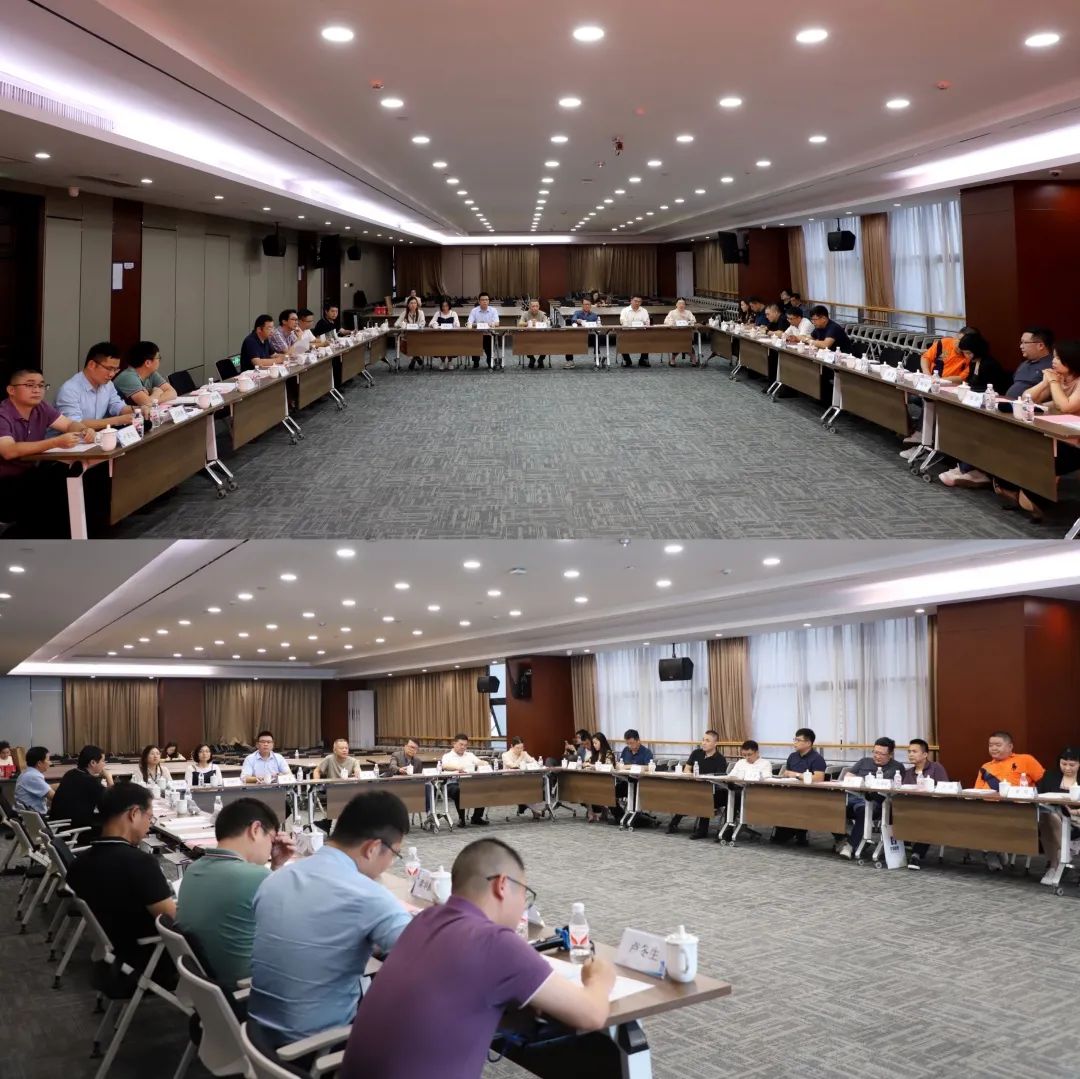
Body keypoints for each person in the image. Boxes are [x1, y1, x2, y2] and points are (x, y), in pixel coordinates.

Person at [339, 837, 615, 1079]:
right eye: (525, 895)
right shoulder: (496, 942)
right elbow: (591, 1015)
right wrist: (600, 979)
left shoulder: (425, 920)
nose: (523, 906)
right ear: (503, 885)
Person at [247, 790, 413, 1048]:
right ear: (373, 848)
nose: (391, 863)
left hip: (257, 1035)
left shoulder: (274, 879)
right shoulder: (371, 897)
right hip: (314, 1049)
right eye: (395, 854)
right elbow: (429, 964)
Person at [175, 797, 294, 988]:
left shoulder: (194, 869)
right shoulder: (256, 877)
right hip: (251, 989)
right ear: (256, 829)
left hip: (209, 989)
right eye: (271, 840)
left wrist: (275, 866)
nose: (271, 850)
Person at [65, 783, 175, 975]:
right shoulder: (141, 864)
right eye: (149, 817)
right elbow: (172, 920)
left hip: (117, 955)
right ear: (134, 813)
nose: (149, 825)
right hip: (150, 959)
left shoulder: (79, 863)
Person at [0, 365, 96, 536]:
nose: (37, 390)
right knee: (52, 491)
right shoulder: (3, 414)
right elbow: (9, 451)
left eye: (41, 385)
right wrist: (55, 442)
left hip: (28, 472)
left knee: (67, 478)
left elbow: (68, 424)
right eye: (30, 385)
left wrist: (83, 430)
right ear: (11, 390)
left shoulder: (41, 408)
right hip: (5, 481)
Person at [993, 340, 1080, 520]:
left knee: (1037, 455)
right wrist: (1045, 382)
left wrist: (1053, 382)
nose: (1053, 361)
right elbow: (1027, 398)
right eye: (1054, 357)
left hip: (1073, 443)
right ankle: (1017, 491)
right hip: (1053, 434)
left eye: (1058, 358)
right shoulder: (1058, 378)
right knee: (1014, 446)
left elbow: (1066, 407)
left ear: (1072, 360)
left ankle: (1037, 500)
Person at [937, 333, 1012, 489]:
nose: (967, 356)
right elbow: (971, 382)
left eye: (969, 352)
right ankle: (963, 465)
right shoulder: (973, 363)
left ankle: (968, 468)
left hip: (991, 404)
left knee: (972, 430)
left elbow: (992, 388)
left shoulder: (990, 364)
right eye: (965, 353)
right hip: (975, 401)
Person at [974, 731, 1045, 871]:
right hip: (989, 808)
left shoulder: (1025, 760)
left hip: (1018, 809)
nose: (993, 748)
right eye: (990, 745)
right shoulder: (986, 767)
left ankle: (994, 851)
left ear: (1010, 746)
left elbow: (1044, 782)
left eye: (998, 745)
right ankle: (993, 851)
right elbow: (977, 791)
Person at [833, 737, 904, 860]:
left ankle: (850, 846)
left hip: (877, 802)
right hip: (853, 796)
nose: (877, 756)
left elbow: (889, 789)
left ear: (890, 754)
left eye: (881, 754)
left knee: (863, 809)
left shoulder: (897, 767)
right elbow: (848, 777)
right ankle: (842, 838)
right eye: (875, 752)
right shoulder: (864, 761)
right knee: (830, 806)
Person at [54, 342, 135, 430]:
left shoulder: (108, 384)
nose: (112, 374)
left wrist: (139, 409)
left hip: (96, 436)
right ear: (91, 365)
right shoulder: (69, 390)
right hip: (69, 438)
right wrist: (118, 420)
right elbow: (74, 424)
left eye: (115, 370)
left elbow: (116, 405)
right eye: (109, 368)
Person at [667, 730, 728, 839]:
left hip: (713, 791)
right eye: (703, 740)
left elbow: (718, 779)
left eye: (707, 741)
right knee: (684, 794)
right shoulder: (696, 753)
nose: (703, 743)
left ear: (715, 743)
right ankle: (673, 824)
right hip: (695, 787)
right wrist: (692, 776)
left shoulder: (720, 759)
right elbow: (687, 769)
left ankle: (702, 831)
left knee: (703, 796)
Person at [772, 728, 827, 845]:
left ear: (808, 743)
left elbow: (819, 778)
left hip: (809, 794)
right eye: (794, 740)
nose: (795, 743)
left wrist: (796, 775)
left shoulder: (817, 758)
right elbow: (787, 774)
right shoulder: (792, 756)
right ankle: (791, 830)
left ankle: (799, 831)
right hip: (790, 791)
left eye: (798, 740)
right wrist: (786, 775)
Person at [901, 739, 949, 869]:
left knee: (927, 819)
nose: (911, 754)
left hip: (933, 808)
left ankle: (916, 854)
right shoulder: (908, 772)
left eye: (914, 751)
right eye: (909, 752)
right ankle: (903, 846)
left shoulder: (936, 768)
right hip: (911, 808)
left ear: (925, 754)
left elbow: (945, 788)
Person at [1035, 747, 1080, 886]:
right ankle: (1056, 863)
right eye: (1063, 764)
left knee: (1048, 819)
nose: (1067, 768)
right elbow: (1037, 795)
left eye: (1072, 765)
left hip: (1076, 819)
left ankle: (1058, 862)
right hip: (1053, 815)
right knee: (1047, 816)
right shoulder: (1050, 776)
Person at [49, 744, 113, 832]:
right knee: (113, 821)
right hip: (75, 830)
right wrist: (109, 777)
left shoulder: (70, 773)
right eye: (103, 761)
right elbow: (112, 800)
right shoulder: (90, 781)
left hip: (59, 825)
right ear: (93, 763)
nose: (104, 764)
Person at [113, 341, 177, 409]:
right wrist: (157, 392)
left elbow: (172, 392)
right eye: (159, 358)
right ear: (148, 363)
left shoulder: (151, 373)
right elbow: (147, 404)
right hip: (123, 414)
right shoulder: (128, 377)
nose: (159, 361)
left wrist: (154, 400)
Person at [441, 734, 487, 826]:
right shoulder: (447, 756)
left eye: (465, 745)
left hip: (469, 782)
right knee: (459, 790)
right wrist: (458, 767)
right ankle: (461, 818)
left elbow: (480, 762)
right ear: (454, 744)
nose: (463, 747)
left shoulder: (470, 755)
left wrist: (484, 763)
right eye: (461, 744)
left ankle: (476, 817)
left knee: (483, 787)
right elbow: (445, 766)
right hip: (453, 783)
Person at [501, 737, 545, 820]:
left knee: (534, 785)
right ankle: (536, 810)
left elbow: (534, 763)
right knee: (525, 788)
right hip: (509, 781)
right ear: (512, 746)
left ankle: (532, 808)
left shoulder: (524, 753)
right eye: (518, 748)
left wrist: (534, 763)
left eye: (522, 747)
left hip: (522, 780)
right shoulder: (505, 755)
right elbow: (513, 766)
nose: (520, 750)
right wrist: (521, 757)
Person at [1007, 327, 1055, 399]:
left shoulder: (1052, 365)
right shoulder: (1023, 364)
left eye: (1025, 343)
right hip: (1009, 403)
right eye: (1021, 342)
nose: (1021, 346)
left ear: (1040, 346)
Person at [583, 732, 617, 823]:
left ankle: (602, 809)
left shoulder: (608, 753)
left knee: (590, 787)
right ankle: (591, 812)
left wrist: (593, 766)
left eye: (596, 743)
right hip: (595, 780)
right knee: (584, 787)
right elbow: (585, 763)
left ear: (602, 742)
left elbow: (609, 766)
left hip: (607, 781)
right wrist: (587, 764)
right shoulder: (595, 754)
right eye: (593, 743)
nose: (594, 745)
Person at [466, 292, 500, 370]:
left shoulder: (493, 310)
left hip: (489, 334)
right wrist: (477, 325)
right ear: (479, 301)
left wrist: (491, 324)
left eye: (486, 300)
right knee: (474, 341)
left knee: (489, 343)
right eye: (482, 300)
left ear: (489, 301)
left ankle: (490, 361)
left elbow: (497, 323)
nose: (485, 301)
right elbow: (469, 323)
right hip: (477, 334)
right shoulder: (474, 310)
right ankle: (476, 361)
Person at [14, 746, 54, 813]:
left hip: (28, 814)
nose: (50, 763)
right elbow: (54, 797)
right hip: (36, 816)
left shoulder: (27, 773)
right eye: (48, 760)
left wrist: (63, 785)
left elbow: (46, 787)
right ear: (39, 763)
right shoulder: (33, 776)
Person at [565, 296, 601, 368]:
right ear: (582, 305)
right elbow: (573, 319)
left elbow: (597, 325)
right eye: (585, 304)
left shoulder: (594, 315)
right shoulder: (577, 313)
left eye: (588, 304)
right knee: (568, 338)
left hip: (589, 335)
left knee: (597, 337)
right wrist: (577, 320)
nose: (587, 306)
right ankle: (570, 360)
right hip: (578, 335)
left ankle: (597, 357)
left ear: (590, 305)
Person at [664, 298, 699, 366]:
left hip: (687, 333)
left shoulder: (688, 312)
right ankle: (673, 359)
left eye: (683, 304)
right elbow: (666, 321)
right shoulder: (672, 312)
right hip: (675, 333)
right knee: (678, 343)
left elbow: (693, 321)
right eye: (679, 303)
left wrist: (689, 322)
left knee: (687, 343)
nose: (681, 305)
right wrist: (672, 322)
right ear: (676, 304)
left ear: (685, 305)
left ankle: (693, 358)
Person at [395, 296, 426, 371]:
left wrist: (418, 326)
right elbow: (396, 324)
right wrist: (403, 324)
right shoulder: (404, 313)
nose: (413, 305)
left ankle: (414, 358)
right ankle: (416, 357)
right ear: (408, 305)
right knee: (402, 347)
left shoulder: (421, 313)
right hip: (407, 337)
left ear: (417, 305)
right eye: (411, 303)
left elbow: (423, 323)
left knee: (415, 343)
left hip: (418, 336)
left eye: (415, 303)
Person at [619, 295, 651, 367]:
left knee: (648, 338)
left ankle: (643, 360)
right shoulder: (625, 310)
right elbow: (623, 321)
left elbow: (647, 322)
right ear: (631, 301)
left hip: (641, 332)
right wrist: (632, 326)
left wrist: (642, 325)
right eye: (635, 301)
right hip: (627, 332)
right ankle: (627, 360)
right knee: (622, 339)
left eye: (639, 302)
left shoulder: (644, 311)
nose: (637, 303)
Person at [517, 300, 550, 370]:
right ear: (529, 307)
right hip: (528, 336)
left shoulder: (543, 314)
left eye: (537, 306)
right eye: (533, 306)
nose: (535, 308)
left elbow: (546, 323)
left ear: (539, 307)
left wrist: (537, 323)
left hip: (541, 336)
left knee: (547, 342)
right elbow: (520, 323)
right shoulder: (525, 314)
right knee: (524, 342)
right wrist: (528, 323)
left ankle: (541, 359)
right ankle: (531, 358)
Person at [429, 299, 460, 370]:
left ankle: (450, 361)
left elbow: (458, 325)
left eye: (446, 306)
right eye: (443, 306)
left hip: (451, 336)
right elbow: (430, 324)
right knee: (440, 344)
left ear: (449, 306)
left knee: (451, 344)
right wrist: (434, 324)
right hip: (440, 336)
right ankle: (442, 361)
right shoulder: (438, 313)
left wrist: (455, 324)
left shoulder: (453, 313)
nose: (445, 307)